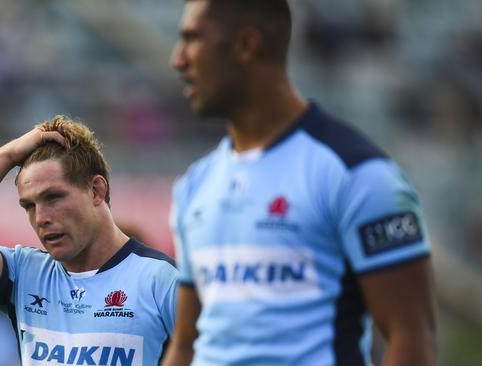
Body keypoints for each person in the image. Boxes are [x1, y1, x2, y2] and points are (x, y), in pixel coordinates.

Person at [162, 1, 437, 365]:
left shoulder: (358, 174)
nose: (178, 60)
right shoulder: (195, 185)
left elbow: (411, 336)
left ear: (246, 44)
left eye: (192, 39)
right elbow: (186, 345)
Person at [0, 116, 178, 365]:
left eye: (53, 198)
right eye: (29, 206)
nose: (41, 218)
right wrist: (7, 156)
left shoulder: (162, 280)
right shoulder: (23, 275)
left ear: (96, 190)